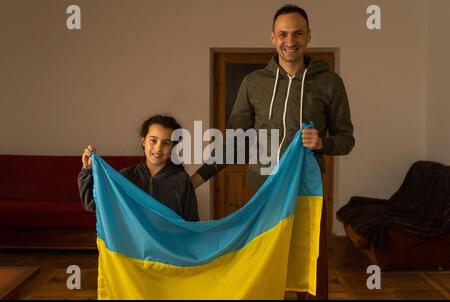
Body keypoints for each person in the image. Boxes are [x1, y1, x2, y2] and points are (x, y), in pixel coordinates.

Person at [190, 4, 355, 202]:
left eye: (298, 34)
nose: (290, 41)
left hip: (306, 190)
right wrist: (193, 183)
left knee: (308, 235)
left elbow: (346, 140)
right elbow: (235, 143)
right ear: (273, 38)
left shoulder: (330, 82)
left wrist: (322, 143)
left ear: (309, 36)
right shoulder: (252, 82)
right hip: (259, 188)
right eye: (283, 34)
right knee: (253, 235)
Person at [78, 114, 199, 222]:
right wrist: (87, 170)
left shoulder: (181, 180)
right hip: (132, 247)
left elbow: (192, 223)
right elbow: (93, 204)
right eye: (153, 140)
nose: (158, 148)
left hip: (170, 247)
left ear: (173, 147)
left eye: (166, 143)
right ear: (143, 141)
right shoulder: (126, 177)